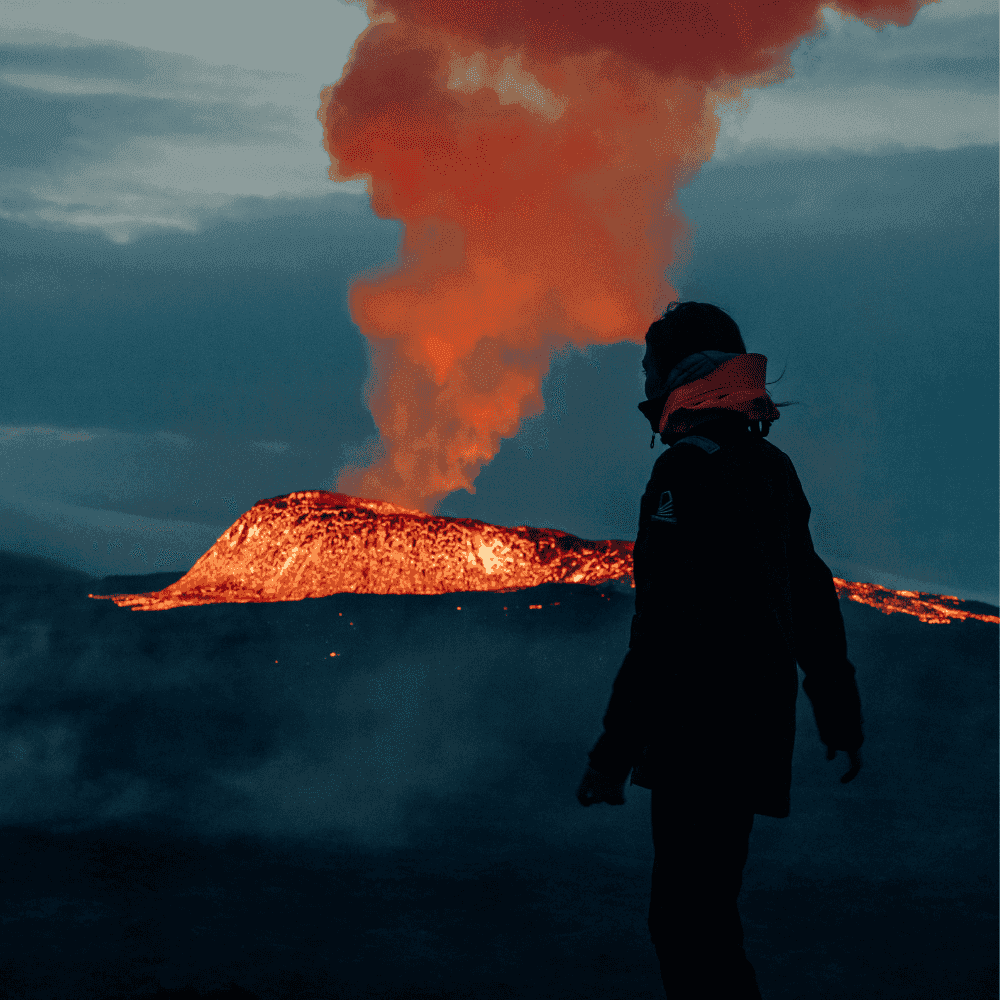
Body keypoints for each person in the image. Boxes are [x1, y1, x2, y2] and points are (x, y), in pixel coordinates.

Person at [574, 301, 865, 999]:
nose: (642, 385)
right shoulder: (770, 467)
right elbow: (812, 595)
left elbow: (664, 626)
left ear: (679, 374)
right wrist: (837, 708)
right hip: (756, 732)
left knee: (686, 926)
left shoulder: (684, 474)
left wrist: (613, 754)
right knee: (709, 917)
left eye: (650, 368)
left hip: (697, 736)